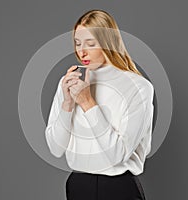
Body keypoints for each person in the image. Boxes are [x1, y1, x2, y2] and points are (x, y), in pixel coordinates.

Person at [45, 9, 154, 200]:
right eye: (77, 43)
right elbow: (56, 148)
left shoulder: (138, 87)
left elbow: (116, 155)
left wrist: (87, 102)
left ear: (107, 43)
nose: (81, 51)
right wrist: (67, 104)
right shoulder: (70, 82)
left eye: (90, 44)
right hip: (78, 186)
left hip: (118, 188)